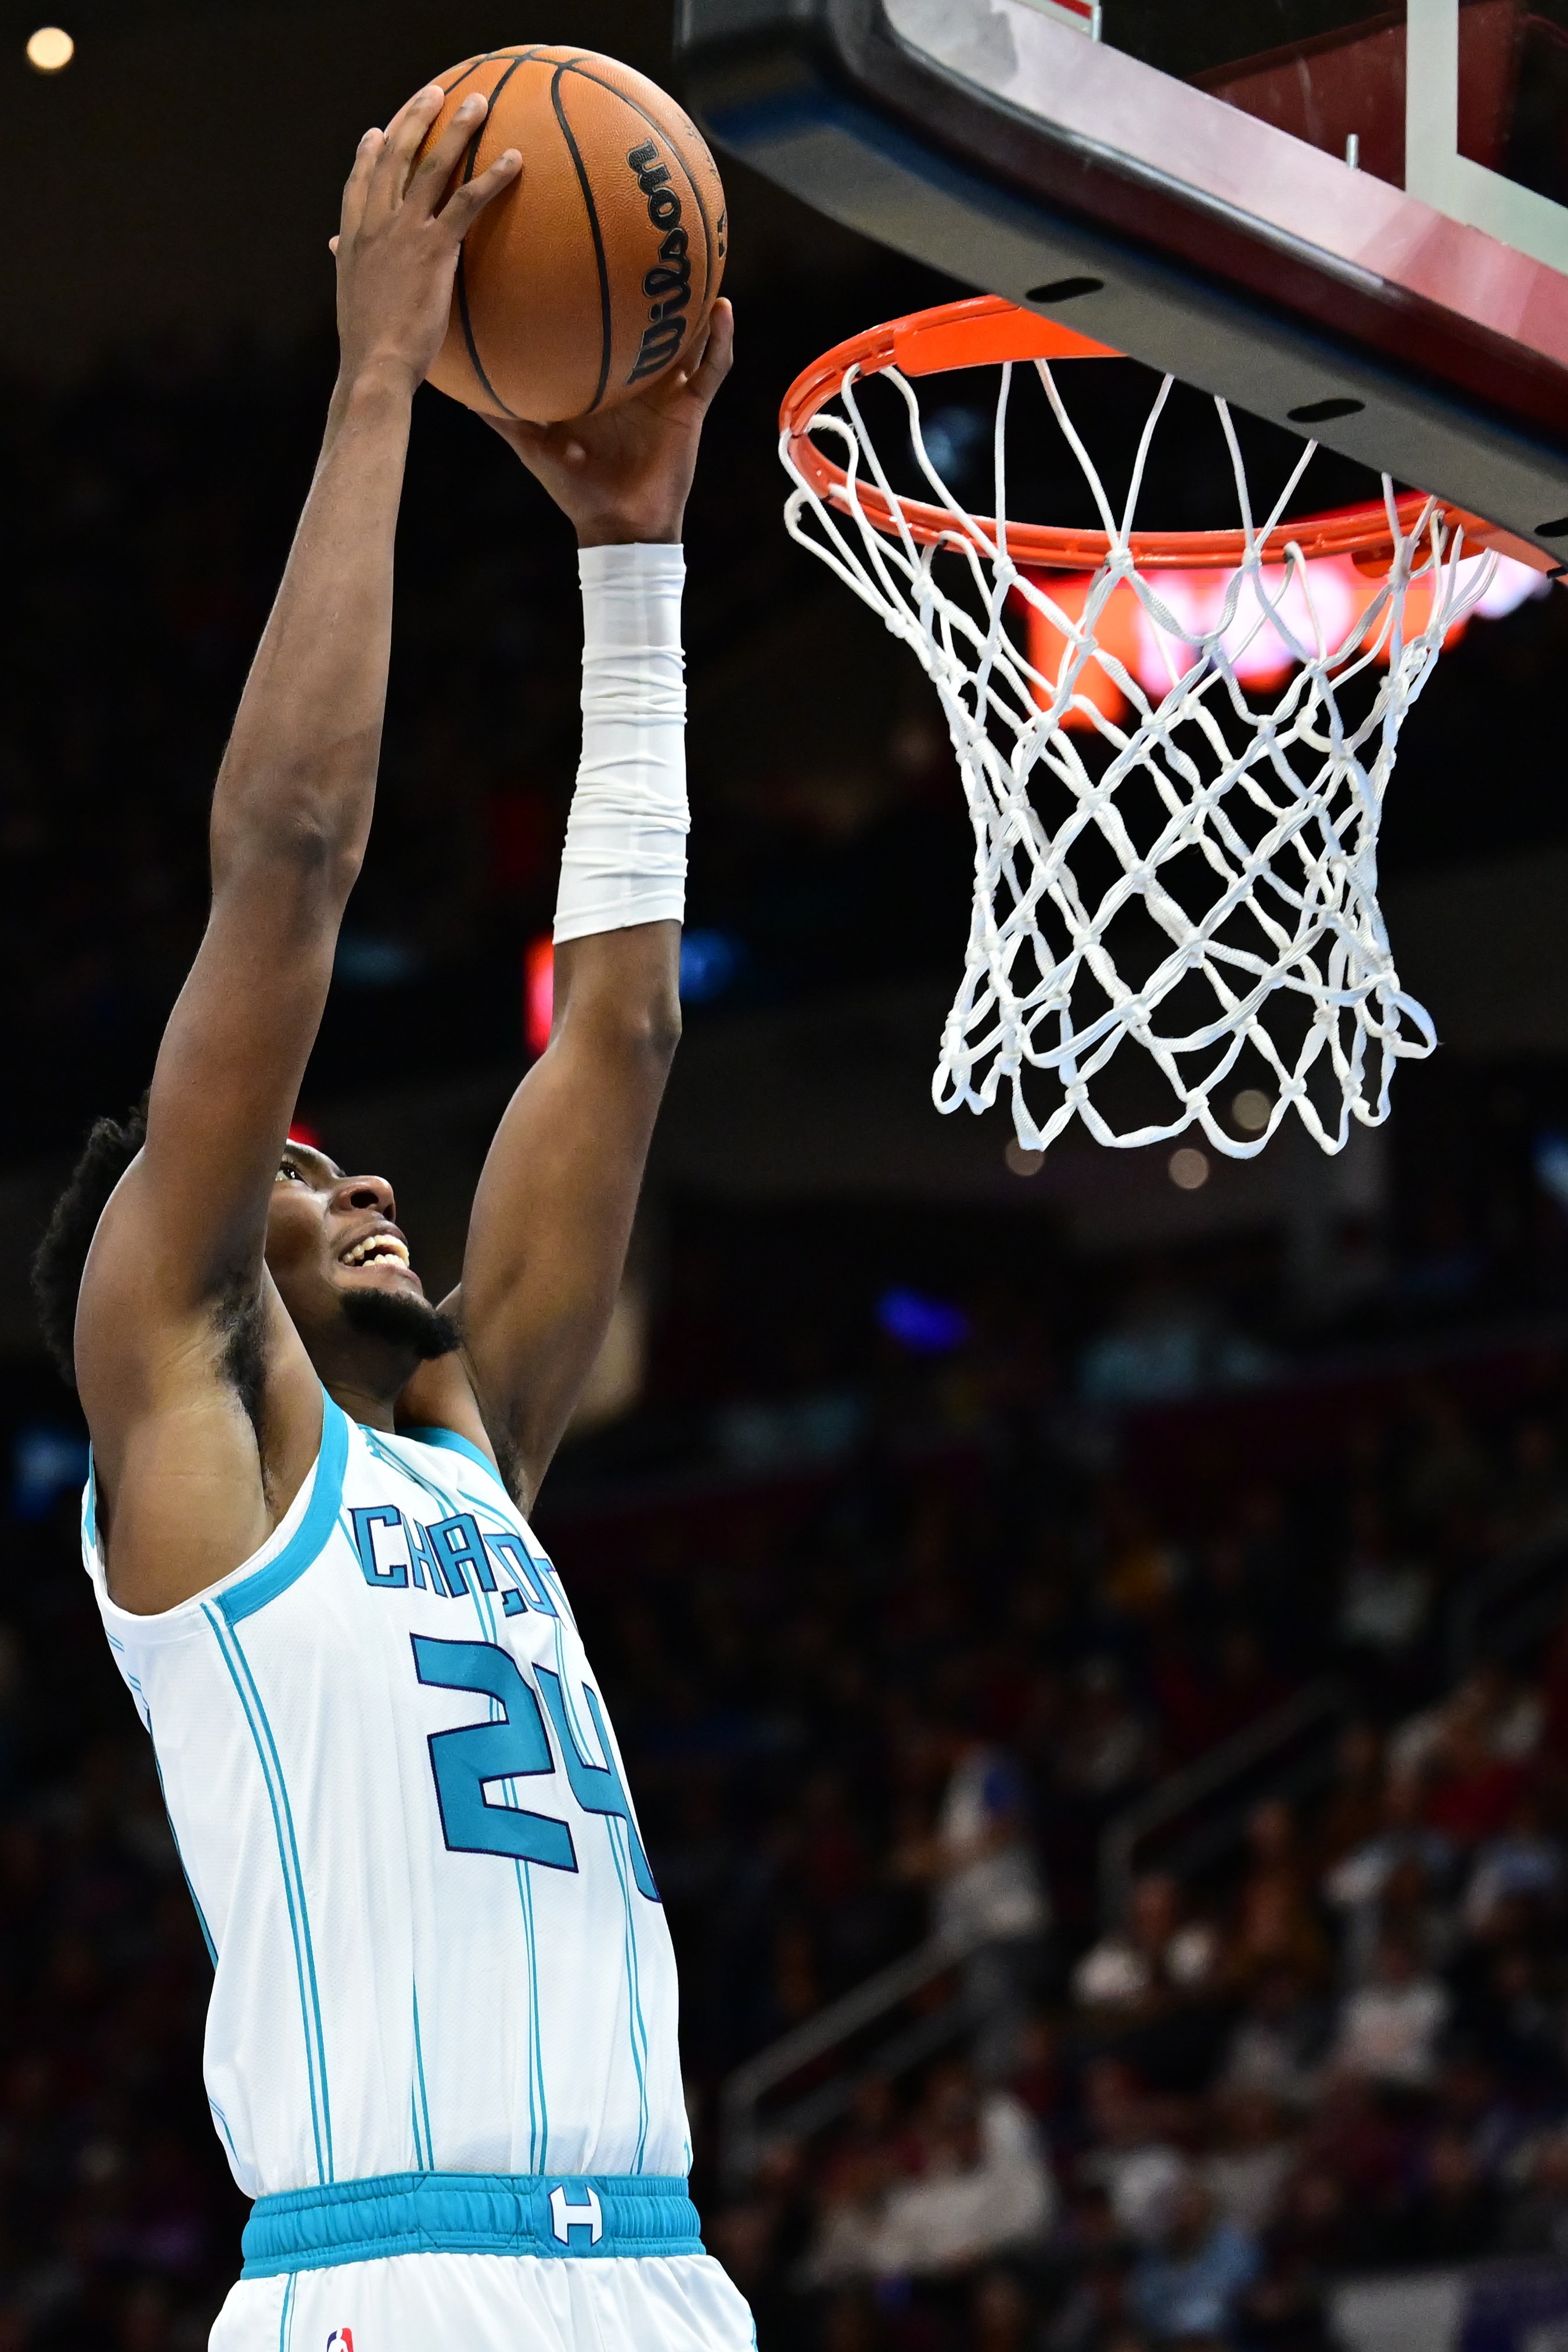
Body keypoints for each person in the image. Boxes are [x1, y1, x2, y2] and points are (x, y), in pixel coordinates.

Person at [30, 81, 740, 2352]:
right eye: (296, 1172)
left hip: (658, 2269)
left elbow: (620, 1029)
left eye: (330, 1162)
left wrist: (635, 563)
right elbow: (292, 862)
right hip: (389, 2275)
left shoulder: (471, 1453)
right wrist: (374, 381)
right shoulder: (199, 1450)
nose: (356, 1178)